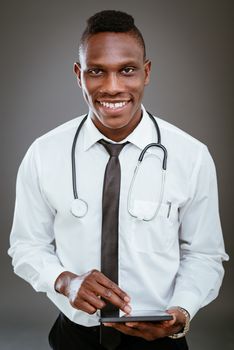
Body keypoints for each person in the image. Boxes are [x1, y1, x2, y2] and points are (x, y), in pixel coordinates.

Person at [8, 10, 228, 350]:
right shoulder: (43, 154)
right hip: (74, 337)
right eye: (97, 71)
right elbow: (26, 246)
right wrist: (64, 281)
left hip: (160, 338)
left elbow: (204, 255)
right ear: (79, 75)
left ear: (147, 72)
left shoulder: (191, 156)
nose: (112, 87)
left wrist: (180, 313)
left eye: (127, 70)